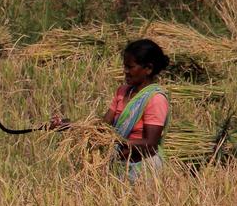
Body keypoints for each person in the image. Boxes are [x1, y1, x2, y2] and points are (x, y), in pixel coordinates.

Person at [55, 38, 170, 181]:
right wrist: (70, 125)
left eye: (130, 67)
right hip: (119, 166)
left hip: (143, 170)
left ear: (148, 69)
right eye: (125, 66)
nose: (125, 71)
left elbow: (150, 144)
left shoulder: (155, 99)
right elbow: (102, 127)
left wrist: (115, 141)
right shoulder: (122, 92)